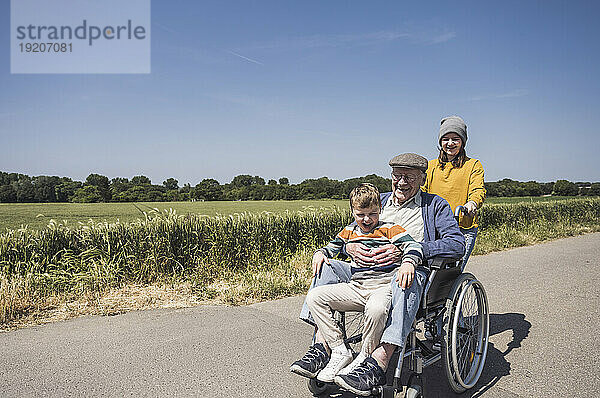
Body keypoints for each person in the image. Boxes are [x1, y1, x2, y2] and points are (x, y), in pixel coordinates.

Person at [297, 153, 465, 396]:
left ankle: (378, 361)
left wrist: (410, 253)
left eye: (409, 177)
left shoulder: (434, 205)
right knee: (326, 266)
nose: (402, 182)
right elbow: (354, 230)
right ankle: (323, 345)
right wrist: (346, 247)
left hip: (407, 269)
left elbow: (456, 243)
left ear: (422, 179)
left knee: (404, 279)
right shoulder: (378, 200)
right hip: (364, 271)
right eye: (397, 176)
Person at [290, 183, 423, 383]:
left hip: (382, 287)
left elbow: (413, 246)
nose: (367, 219)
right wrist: (320, 253)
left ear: (380, 208)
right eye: (361, 214)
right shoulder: (349, 231)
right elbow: (332, 247)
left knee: (377, 309)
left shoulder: (390, 229)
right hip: (356, 286)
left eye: (373, 213)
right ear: (352, 211)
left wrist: (408, 262)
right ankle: (338, 348)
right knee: (315, 297)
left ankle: (365, 355)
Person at [422, 115, 486, 270]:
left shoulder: (473, 165)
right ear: (440, 142)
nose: (450, 143)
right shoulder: (430, 167)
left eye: (455, 139)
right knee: (429, 272)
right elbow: (421, 191)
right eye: (446, 139)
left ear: (462, 142)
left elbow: (477, 189)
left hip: (462, 226)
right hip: (434, 228)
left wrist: (472, 203)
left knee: (451, 273)